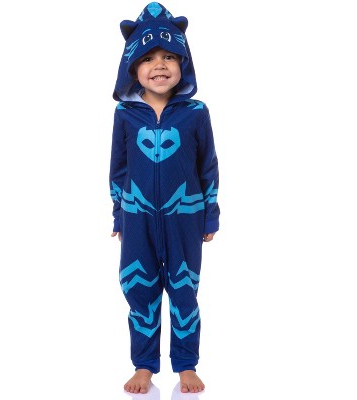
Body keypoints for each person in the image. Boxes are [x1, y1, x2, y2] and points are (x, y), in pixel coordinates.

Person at [109, 2, 220, 394]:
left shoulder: (196, 112)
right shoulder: (125, 114)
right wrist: (119, 214)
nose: (159, 65)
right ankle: (144, 366)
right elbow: (118, 167)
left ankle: (186, 365)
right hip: (137, 216)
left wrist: (210, 215)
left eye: (169, 56)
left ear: (183, 63)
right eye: (148, 58)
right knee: (138, 287)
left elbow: (208, 166)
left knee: (184, 290)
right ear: (132, 67)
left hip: (185, 215)